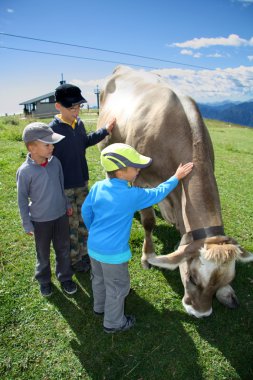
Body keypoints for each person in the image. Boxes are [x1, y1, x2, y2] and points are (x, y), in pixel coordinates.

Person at [81, 143, 193, 333]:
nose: (139, 170)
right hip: (113, 255)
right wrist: (176, 177)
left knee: (98, 279)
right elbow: (158, 193)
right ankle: (114, 323)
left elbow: (86, 211)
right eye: (135, 167)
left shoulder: (98, 187)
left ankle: (99, 307)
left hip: (93, 247)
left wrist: (95, 230)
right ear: (121, 172)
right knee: (118, 287)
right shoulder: (132, 195)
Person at [49, 83, 116, 273]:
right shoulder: (52, 131)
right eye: (72, 108)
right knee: (71, 225)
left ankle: (85, 252)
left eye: (78, 107)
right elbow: (49, 165)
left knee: (85, 220)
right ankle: (74, 259)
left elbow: (85, 141)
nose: (76, 111)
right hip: (64, 188)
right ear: (58, 106)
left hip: (82, 183)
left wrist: (105, 130)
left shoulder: (78, 124)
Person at [16, 122, 77, 297]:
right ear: (32, 147)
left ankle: (65, 277)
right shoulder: (25, 171)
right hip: (40, 221)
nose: (52, 148)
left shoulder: (55, 162)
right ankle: (44, 280)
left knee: (63, 248)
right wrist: (27, 223)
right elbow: (21, 200)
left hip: (60, 216)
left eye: (52, 144)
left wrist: (66, 204)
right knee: (42, 253)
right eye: (47, 144)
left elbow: (60, 185)